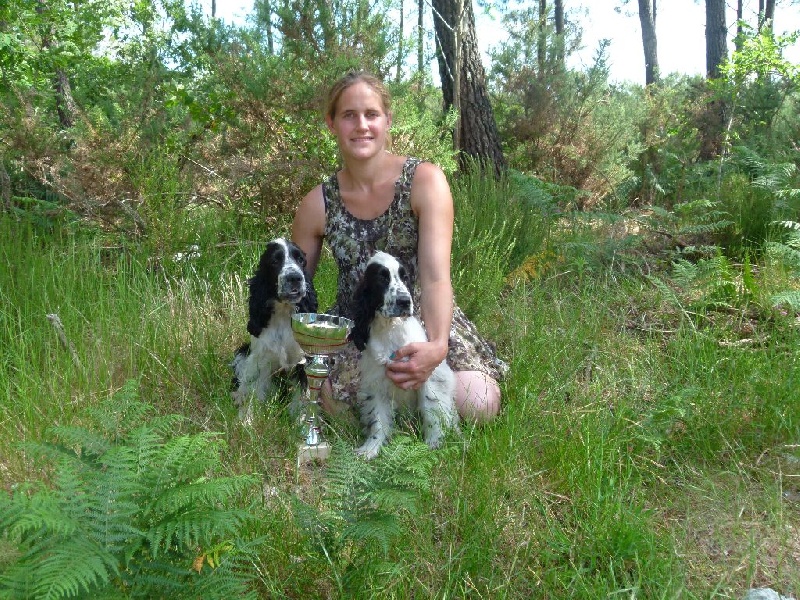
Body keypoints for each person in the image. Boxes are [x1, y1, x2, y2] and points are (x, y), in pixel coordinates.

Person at [291, 70, 506, 423]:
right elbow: (297, 298)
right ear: (331, 123)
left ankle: (418, 410)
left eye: (371, 114)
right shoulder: (316, 204)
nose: (361, 125)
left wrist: (436, 349)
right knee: (342, 409)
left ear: (388, 120)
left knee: (477, 403)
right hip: (359, 330)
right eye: (348, 115)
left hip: (426, 320)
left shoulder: (425, 181)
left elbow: (436, 278)